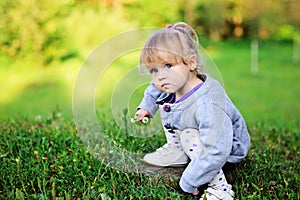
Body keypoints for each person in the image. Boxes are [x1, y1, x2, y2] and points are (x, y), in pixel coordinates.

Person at [133, 22, 250, 199]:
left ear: (191, 63)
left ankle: (221, 189)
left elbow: (216, 150)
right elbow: (154, 88)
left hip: (227, 148)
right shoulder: (173, 81)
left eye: (168, 66)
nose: (160, 76)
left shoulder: (208, 103)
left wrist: (189, 180)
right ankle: (177, 150)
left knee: (188, 134)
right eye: (154, 70)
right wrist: (145, 108)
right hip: (206, 140)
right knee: (168, 101)